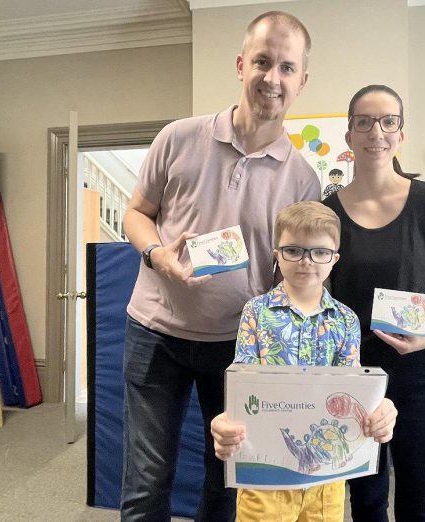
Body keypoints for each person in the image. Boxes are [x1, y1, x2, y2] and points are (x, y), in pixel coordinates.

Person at [120, 12, 321, 522]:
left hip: (239, 346)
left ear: (301, 81)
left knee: (229, 480)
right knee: (147, 480)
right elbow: (135, 213)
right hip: (155, 333)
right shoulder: (178, 137)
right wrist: (156, 255)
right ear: (240, 65)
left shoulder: (303, 180)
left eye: (286, 67)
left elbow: (290, 277)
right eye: (261, 61)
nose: (271, 78)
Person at [322, 85, 425, 522]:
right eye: (364, 121)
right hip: (357, 376)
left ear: (401, 134)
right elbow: (317, 295)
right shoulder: (326, 213)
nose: (377, 131)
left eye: (389, 121)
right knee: (366, 503)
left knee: (423, 502)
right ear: (349, 135)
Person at [210, 201, 398, 522]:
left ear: (334, 259)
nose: (306, 261)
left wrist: (380, 409)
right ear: (276, 254)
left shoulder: (345, 320)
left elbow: (350, 391)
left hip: (326, 480)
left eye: (320, 252)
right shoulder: (256, 311)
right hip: (266, 474)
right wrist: (227, 421)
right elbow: (244, 383)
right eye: (293, 250)